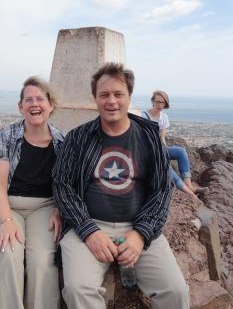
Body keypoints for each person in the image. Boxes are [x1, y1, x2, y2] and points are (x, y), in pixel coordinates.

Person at [53, 63, 189, 309]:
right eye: (104, 95)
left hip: (139, 226)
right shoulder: (77, 138)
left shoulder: (149, 137)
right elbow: (63, 186)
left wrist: (140, 235)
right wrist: (88, 230)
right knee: (77, 290)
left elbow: (161, 190)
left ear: (129, 97)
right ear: (95, 98)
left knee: (175, 291)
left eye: (118, 94)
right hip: (90, 225)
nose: (111, 101)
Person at [0, 77, 64, 309]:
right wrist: (6, 220)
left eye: (40, 99)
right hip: (7, 205)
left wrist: (59, 209)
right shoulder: (7, 135)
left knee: (43, 260)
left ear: (50, 105)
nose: (34, 104)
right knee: (9, 253)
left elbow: (66, 185)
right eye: (28, 100)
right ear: (20, 106)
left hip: (44, 207)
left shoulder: (62, 142)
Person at [143, 90, 197, 197]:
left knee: (180, 151)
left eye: (163, 102)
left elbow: (162, 137)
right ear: (152, 102)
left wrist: (163, 150)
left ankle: (188, 185)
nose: (160, 105)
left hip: (160, 149)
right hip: (147, 153)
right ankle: (189, 193)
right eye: (158, 102)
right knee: (165, 166)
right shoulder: (143, 116)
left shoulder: (163, 117)